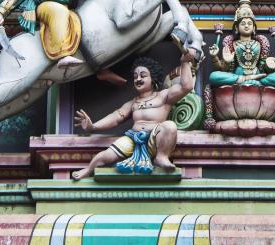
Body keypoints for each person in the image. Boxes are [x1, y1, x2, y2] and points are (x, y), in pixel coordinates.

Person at [71, 50, 195, 179]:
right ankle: (88, 169)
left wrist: (185, 62)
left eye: (143, 75)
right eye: (135, 76)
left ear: (153, 78)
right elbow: (116, 117)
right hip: (133, 139)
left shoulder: (164, 95)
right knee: (106, 155)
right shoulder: (132, 103)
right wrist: (93, 127)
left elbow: (186, 87)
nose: (138, 79)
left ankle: (162, 157)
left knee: (169, 126)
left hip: (155, 139)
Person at [208, 0, 275, 88]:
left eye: (249, 24)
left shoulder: (259, 43)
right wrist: (216, 57)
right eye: (243, 24)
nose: (246, 26)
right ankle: (248, 79)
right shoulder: (233, 44)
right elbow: (224, 70)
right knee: (214, 76)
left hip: (259, 75)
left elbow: (266, 69)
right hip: (238, 75)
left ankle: (251, 80)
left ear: (254, 28)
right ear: (237, 28)